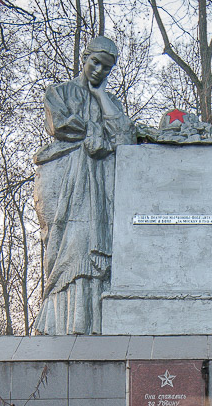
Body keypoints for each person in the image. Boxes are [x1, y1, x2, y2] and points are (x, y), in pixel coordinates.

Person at [33, 36, 135, 335]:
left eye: (106, 68)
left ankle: (94, 322)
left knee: (95, 246)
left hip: (100, 182)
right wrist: (97, 133)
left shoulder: (110, 102)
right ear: (84, 58)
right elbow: (61, 125)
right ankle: (61, 323)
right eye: (95, 63)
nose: (99, 70)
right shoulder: (59, 92)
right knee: (64, 244)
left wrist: (101, 96)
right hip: (63, 174)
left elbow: (124, 138)